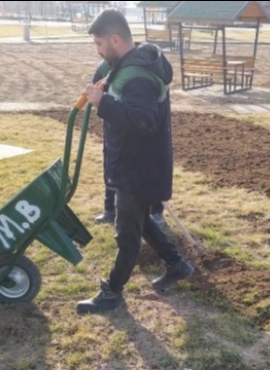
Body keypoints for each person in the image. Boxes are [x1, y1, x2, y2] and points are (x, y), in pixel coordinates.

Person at [76, 8, 194, 314]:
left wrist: (104, 103)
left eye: (100, 44)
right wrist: (107, 89)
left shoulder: (138, 76)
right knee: (139, 222)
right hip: (136, 163)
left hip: (137, 167)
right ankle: (177, 265)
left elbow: (144, 121)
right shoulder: (130, 62)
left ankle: (112, 292)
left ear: (115, 39)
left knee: (126, 233)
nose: (99, 51)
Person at [91, 60, 167, 230]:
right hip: (115, 129)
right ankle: (110, 210)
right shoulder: (104, 68)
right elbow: (95, 89)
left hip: (141, 131)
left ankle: (156, 212)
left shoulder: (142, 68)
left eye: (100, 43)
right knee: (112, 168)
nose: (99, 50)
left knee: (147, 170)